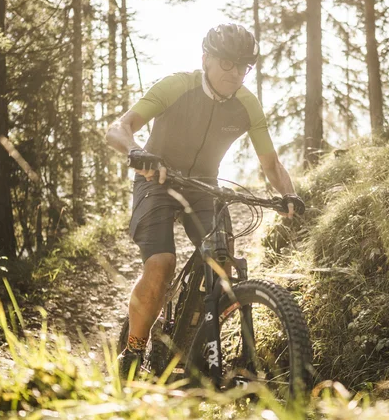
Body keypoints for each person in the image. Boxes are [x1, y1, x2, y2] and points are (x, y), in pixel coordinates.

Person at [105, 23, 304, 371]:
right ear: (206, 59)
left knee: (222, 266)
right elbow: (118, 128)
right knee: (161, 263)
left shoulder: (247, 104)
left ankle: (189, 345)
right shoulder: (178, 85)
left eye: (243, 65)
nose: (235, 72)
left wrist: (288, 194)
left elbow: (270, 162)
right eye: (227, 63)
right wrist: (137, 153)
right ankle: (132, 353)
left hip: (203, 188)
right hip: (157, 180)